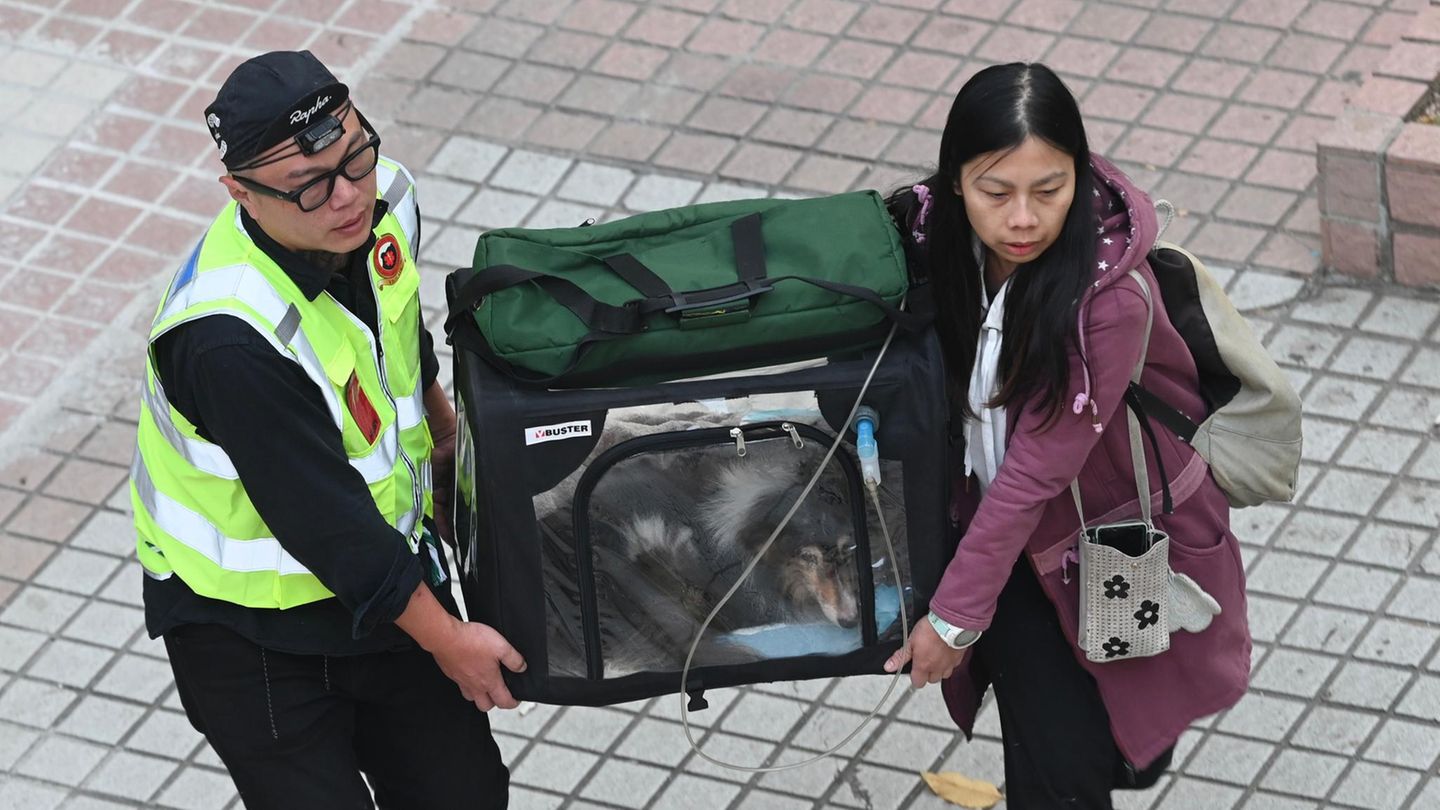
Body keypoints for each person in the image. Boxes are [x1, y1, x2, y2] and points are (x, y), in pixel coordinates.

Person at [129, 51, 521, 809]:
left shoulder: (386, 199)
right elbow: (328, 524)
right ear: (238, 191)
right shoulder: (228, 337)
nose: (347, 198)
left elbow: (396, 332)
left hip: (383, 582)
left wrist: (443, 435)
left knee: (465, 794)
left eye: (355, 159)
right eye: (308, 188)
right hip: (250, 635)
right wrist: (450, 641)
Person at [882, 62, 1251, 808]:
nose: (1023, 219)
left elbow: (1034, 472)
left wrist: (953, 623)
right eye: (996, 191)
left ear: (1078, 178)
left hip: (1103, 543)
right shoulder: (926, 243)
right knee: (1060, 767)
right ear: (956, 182)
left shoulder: (1107, 304)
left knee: (1119, 746)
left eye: (1049, 191)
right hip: (1002, 549)